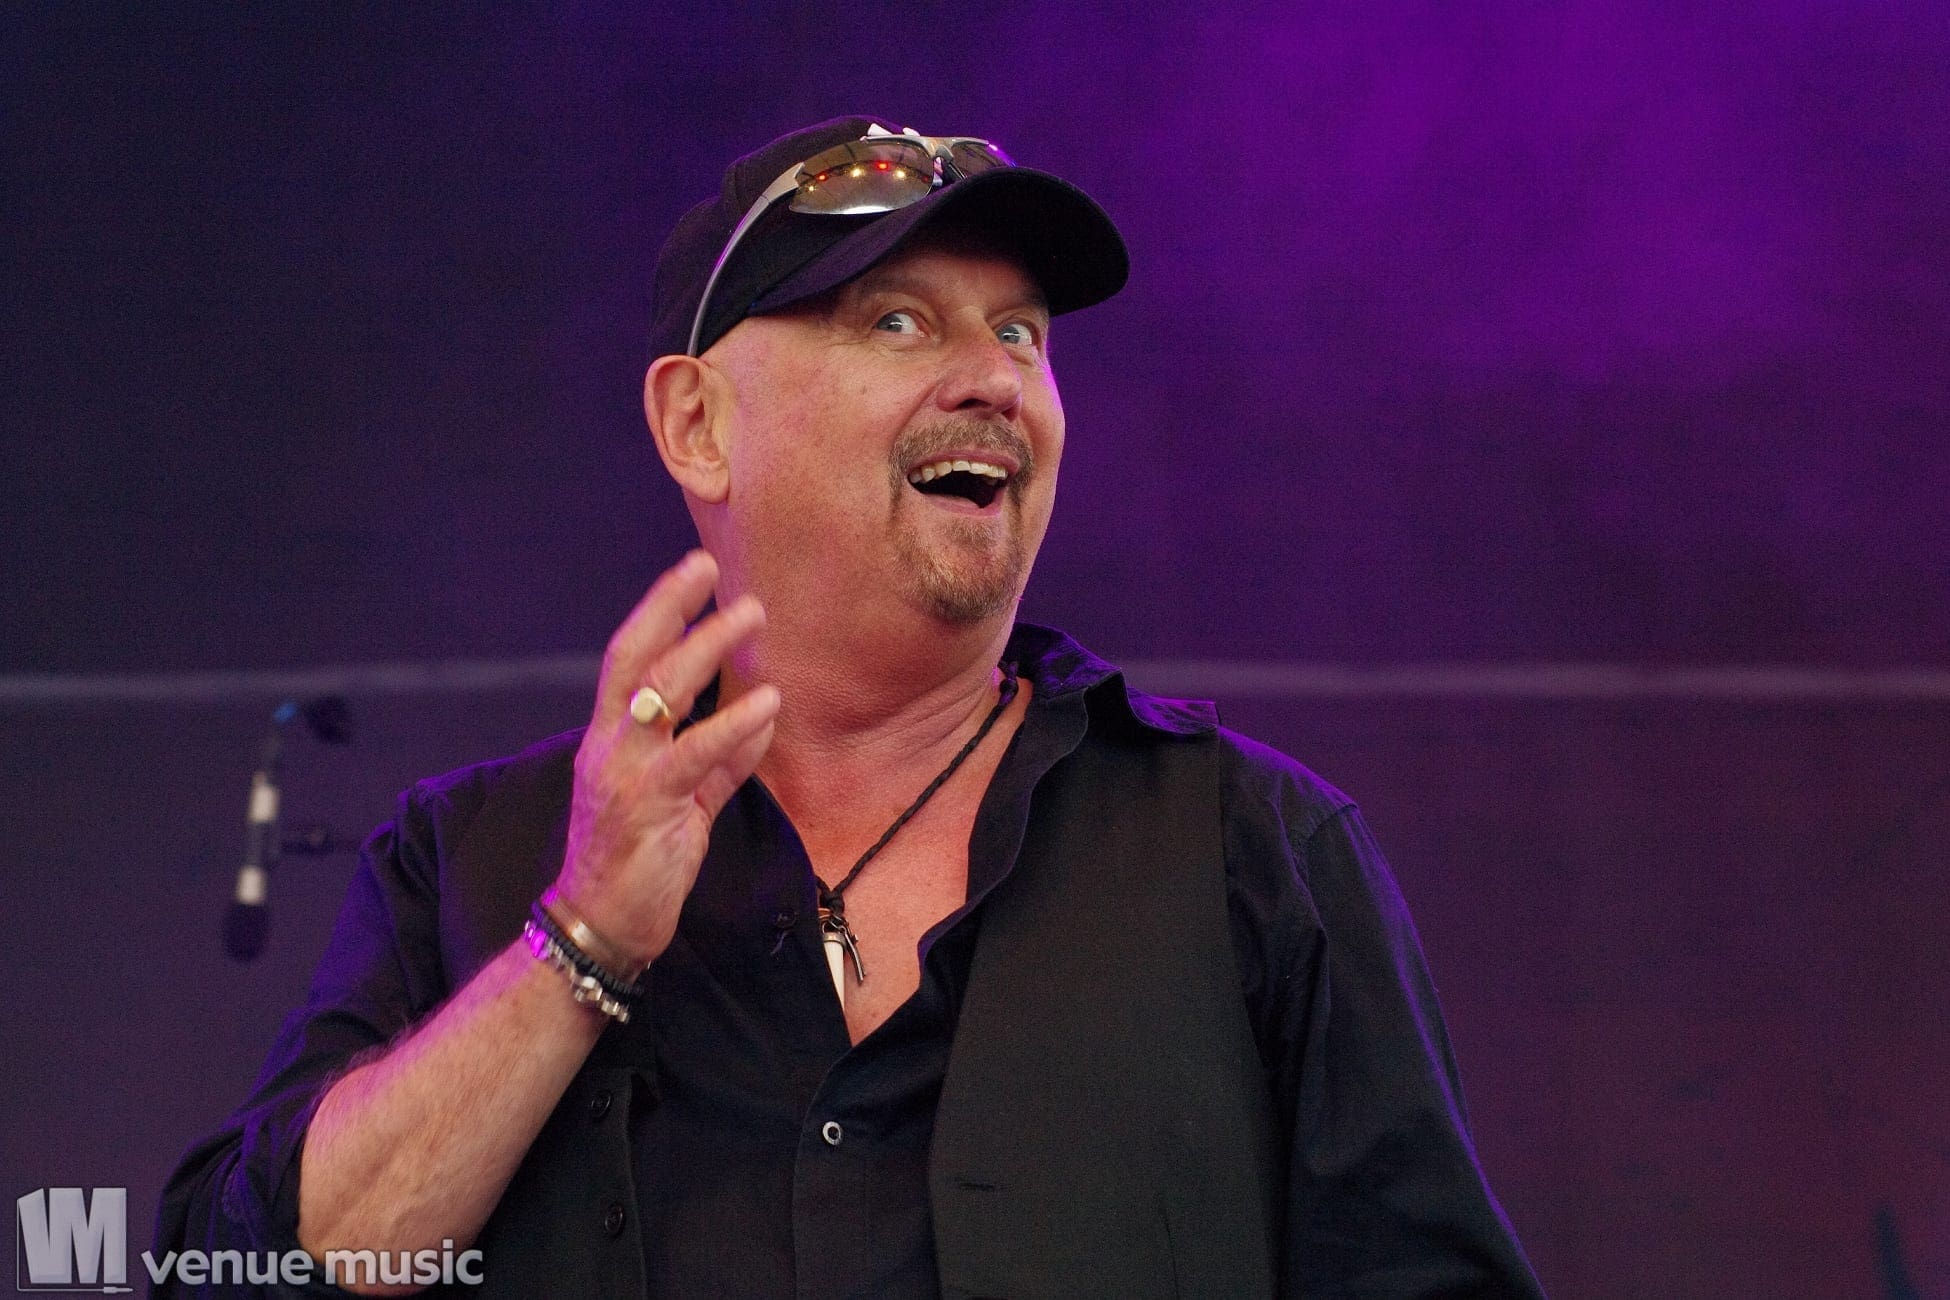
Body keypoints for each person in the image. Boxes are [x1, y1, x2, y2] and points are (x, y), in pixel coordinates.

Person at [157, 115, 1546, 1298]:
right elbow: (247, 1272)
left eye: (1021, 332)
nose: (995, 379)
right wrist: (579, 946)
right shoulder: (472, 860)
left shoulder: (1251, 848)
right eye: (896, 320)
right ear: (698, 424)